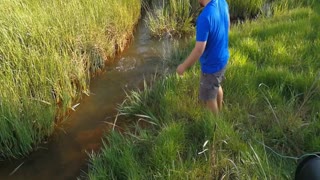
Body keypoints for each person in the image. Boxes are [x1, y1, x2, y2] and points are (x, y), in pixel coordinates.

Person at [176, 0, 230, 114]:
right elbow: (227, 25)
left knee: (209, 98)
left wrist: (183, 66)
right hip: (223, 58)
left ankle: (215, 126)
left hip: (211, 66)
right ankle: (220, 112)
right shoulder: (222, 2)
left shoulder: (204, 17)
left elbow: (199, 49)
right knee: (216, 85)